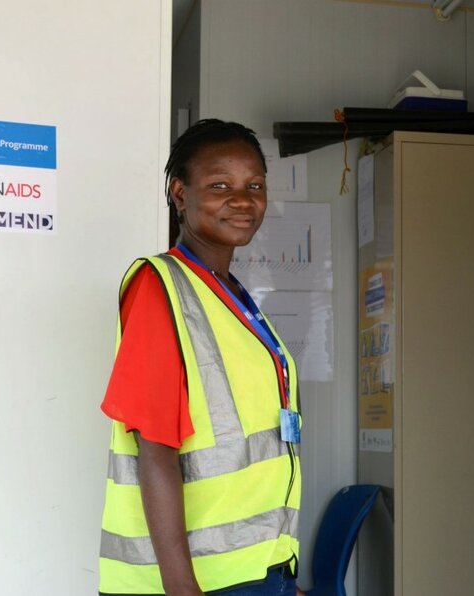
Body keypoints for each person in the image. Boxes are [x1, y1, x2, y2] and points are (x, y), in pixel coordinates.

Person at [98, 120, 303, 596]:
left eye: (254, 185)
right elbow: (156, 450)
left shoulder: (228, 293)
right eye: (219, 185)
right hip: (198, 582)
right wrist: (182, 588)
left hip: (256, 570)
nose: (243, 199)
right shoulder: (160, 287)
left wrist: (278, 571)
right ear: (179, 193)